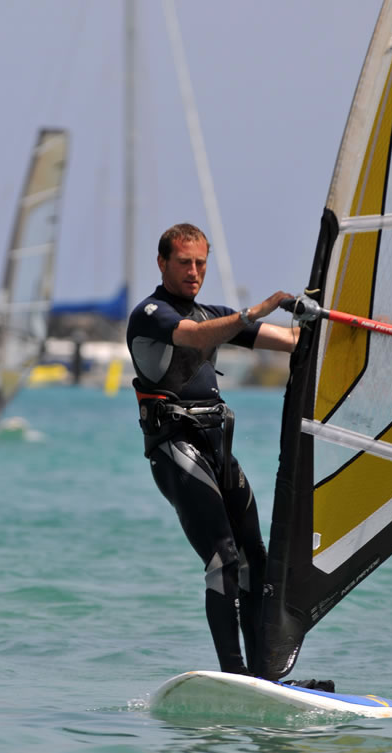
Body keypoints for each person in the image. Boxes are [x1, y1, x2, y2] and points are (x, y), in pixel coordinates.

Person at [126, 222, 300, 678]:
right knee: (222, 557)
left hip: (220, 447)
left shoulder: (212, 315)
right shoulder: (150, 314)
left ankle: (267, 674)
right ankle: (234, 673)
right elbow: (192, 336)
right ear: (162, 262)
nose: (194, 271)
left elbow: (291, 343)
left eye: (201, 262)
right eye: (184, 262)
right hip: (176, 449)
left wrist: (315, 323)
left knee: (256, 557)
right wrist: (254, 311)